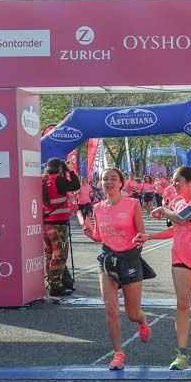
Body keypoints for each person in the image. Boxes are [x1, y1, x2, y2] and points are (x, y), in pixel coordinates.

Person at [140, 167, 191, 370]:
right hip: (181, 258)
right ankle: (182, 355)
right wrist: (149, 237)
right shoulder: (177, 202)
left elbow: (182, 218)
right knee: (183, 303)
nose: (173, 184)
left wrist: (163, 210)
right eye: (173, 180)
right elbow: (176, 228)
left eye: (178, 180)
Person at [81, 168, 152, 370]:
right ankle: (118, 353)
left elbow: (141, 235)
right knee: (111, 309)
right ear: (101, 184)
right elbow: (99, 237)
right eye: (105, 179)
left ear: (121, 183)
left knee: (132, 313)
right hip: (107, 259)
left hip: (129, 259)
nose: (109, 182)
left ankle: (142, 319)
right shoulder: (98, 208)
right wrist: (89, 233)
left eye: (113, 178)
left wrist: (131, 252)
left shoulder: (133, 204)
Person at [41, 157, 81, 298]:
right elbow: (75, 185)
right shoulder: (57, 179)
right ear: (59, 168)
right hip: (58, 224)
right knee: (60, 255)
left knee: (49, 254)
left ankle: (49, 282)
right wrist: (71, 171)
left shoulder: (43, 180)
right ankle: (56, 285)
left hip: (46, 223)